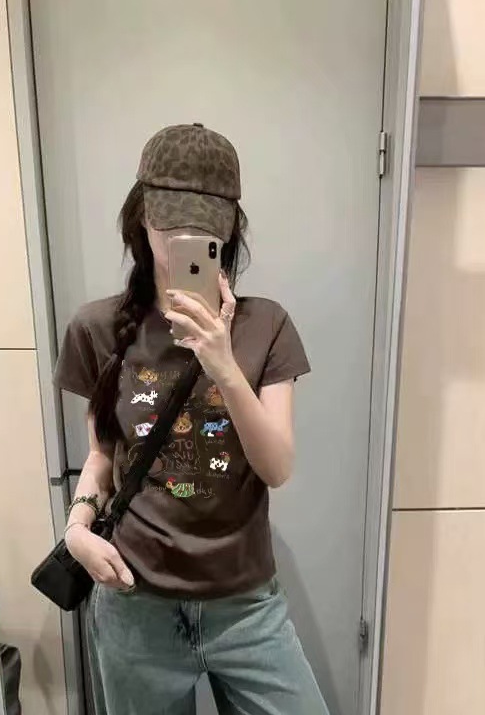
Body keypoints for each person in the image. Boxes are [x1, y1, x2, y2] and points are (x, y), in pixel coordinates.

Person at [56, 123, 330, 715]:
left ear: (229, 228)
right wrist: (77, 528)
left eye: (203, 225)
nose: (186, 237)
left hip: (246, 607)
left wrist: (223, 365)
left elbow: (277, 468)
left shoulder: (266, 325)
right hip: (134, 604)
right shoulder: (96, 328)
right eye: (172, 222)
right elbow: (102, 456)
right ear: (140, 217)